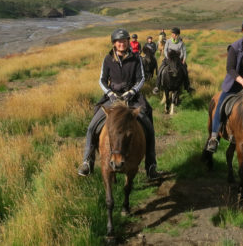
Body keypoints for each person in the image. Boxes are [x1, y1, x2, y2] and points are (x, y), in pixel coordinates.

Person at [77, 28, 160, 179]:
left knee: (148, 123)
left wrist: (132, 92)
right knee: (91, 127)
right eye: (118, 41)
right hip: (113, 97)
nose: (121, 44)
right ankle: (87, 161)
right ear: (114, 43)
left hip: (132, 97)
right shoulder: (108, 59)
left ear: (128, 42)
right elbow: (102, 79)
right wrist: (110, 93)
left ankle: (151, 164)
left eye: (124, 41)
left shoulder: (136, 58)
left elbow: (141, 79)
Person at [206, 18, 243, 153]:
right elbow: (230, 69)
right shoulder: (234, 47)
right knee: (220, 107)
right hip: (234, 85)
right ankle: (214, 138)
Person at [152, 27, 194, 94]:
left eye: (173, 33)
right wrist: (168, 57)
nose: (172, 35)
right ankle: (157, 86)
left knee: (185, 71)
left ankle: (187, 86)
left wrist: (183, 59)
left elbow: (184, 52)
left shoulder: (181, 43)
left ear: (177, 35)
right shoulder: (168, 41)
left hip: (178, 60)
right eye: (172, 33)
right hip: (168, 59)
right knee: (160, 70)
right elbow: (165, 50)